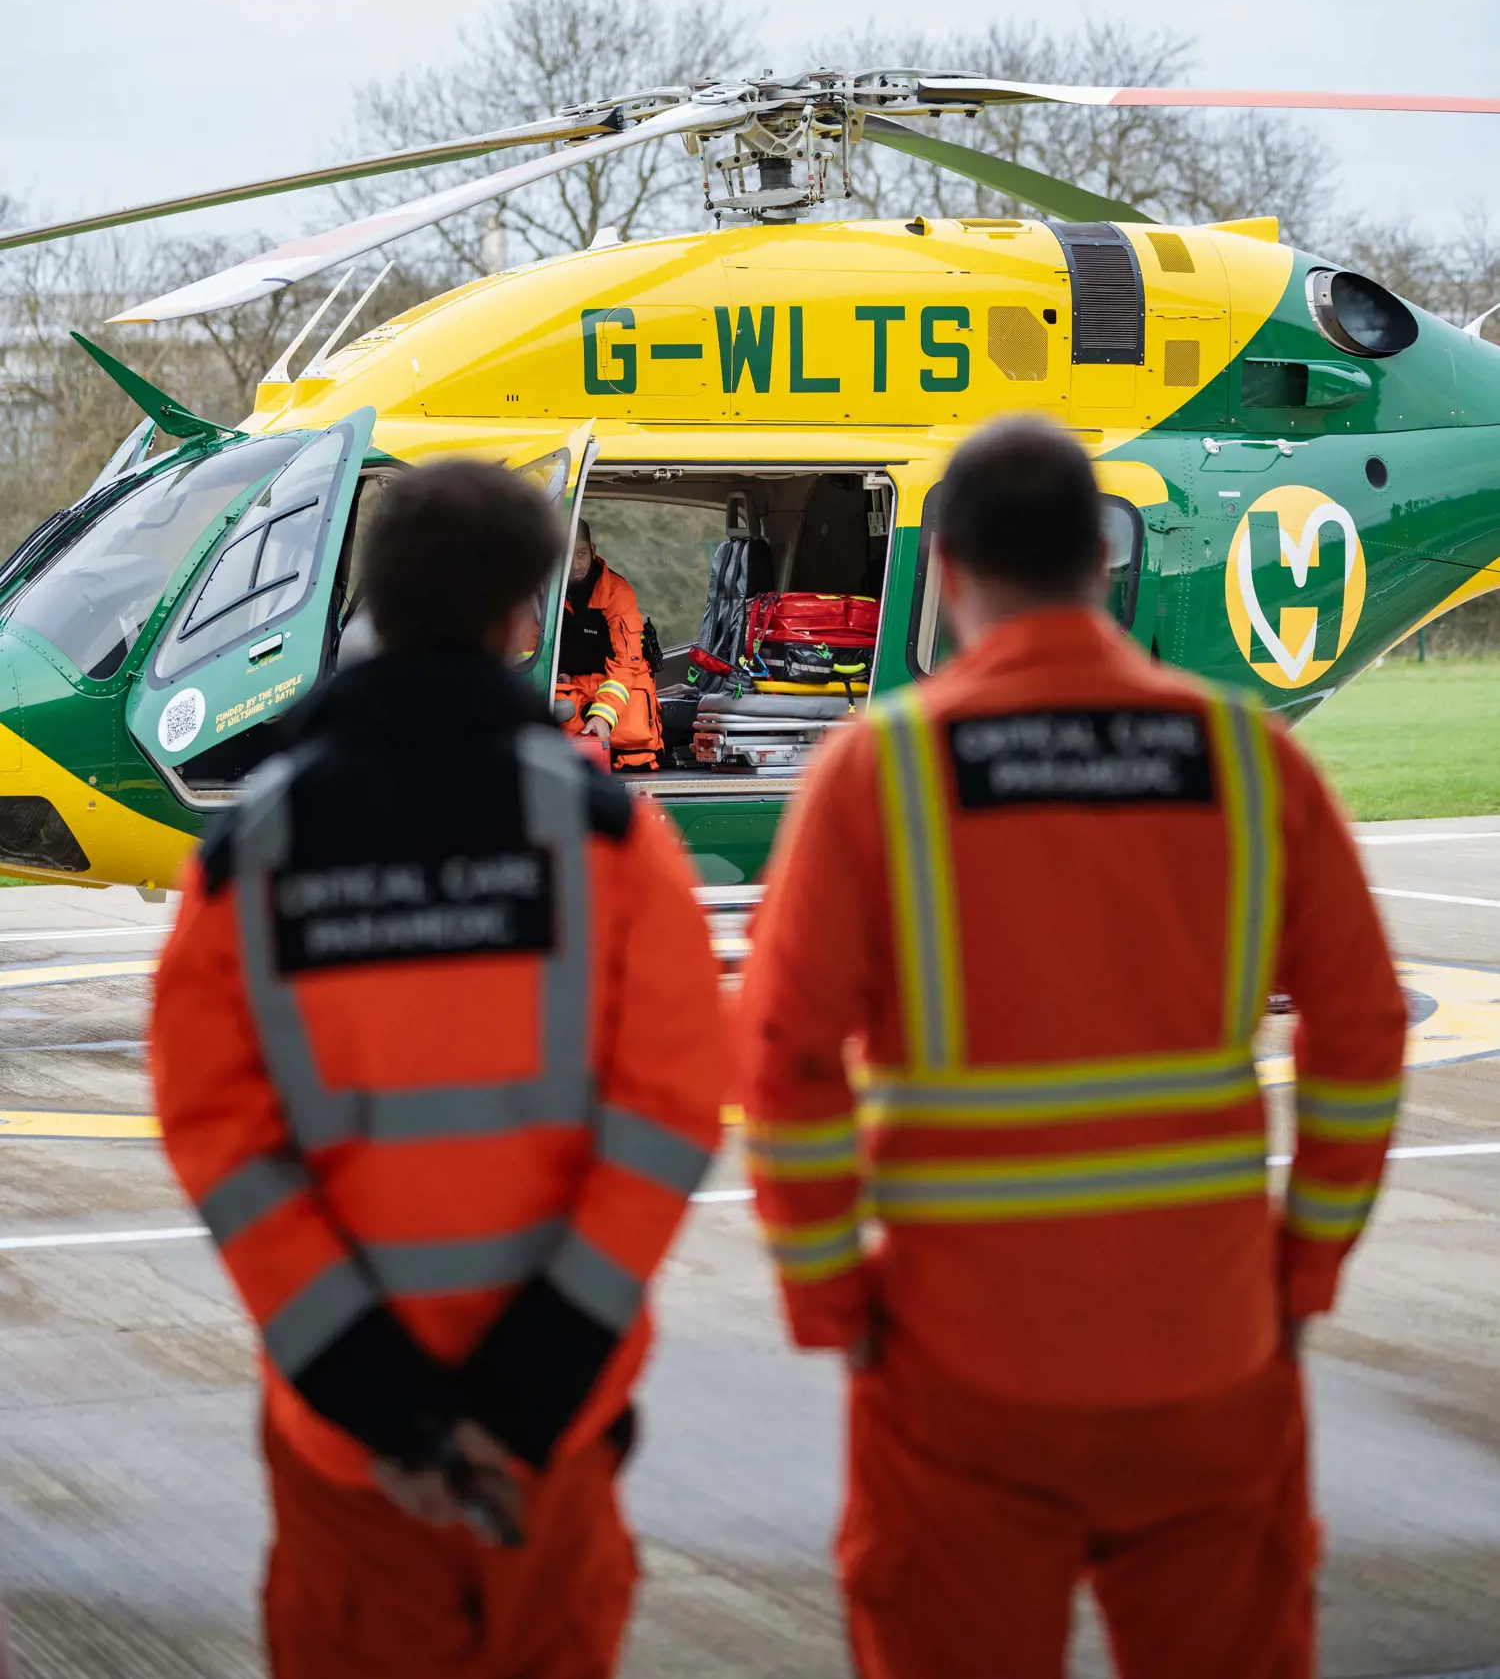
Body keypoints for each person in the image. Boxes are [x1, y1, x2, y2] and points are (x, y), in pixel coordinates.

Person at [740, 415, 1407, 1679]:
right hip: (1209, 1350)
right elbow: (1362, 1032)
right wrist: (1301, 1275)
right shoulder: (1250, 762)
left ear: (941, 571)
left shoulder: (878, 775)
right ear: (1102, 562)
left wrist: (835, 1301)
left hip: (956, 1366)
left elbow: (782, 1058)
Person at [151, 458, 722, 1679]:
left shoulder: (247, 859)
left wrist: (384, 1405)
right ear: (528, 616)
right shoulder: (613, 841)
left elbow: (224, 1150)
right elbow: (667, 1123)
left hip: (349, 1450)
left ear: (364, 600)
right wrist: (525, 1394)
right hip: (554, 1430)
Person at [555, 521, 662, 768]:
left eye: (581, 554)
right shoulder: (546, 594)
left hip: (620, 706)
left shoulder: (617, 593)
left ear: (593, 550)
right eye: (567, 555)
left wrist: (603, 714)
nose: (575, 564)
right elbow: (529, 650)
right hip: (574, 700)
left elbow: (626, 664)